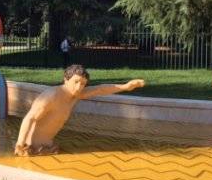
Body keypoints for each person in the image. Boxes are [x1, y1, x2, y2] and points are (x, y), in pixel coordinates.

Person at [14, 64, 145, 156]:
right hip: (30, 148)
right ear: (66, 79)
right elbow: (30, 118)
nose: (79, 87)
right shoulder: (51, 96)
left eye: (82, 83)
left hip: (47, 147)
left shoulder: (75, 95)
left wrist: (125, 87)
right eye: (76, 81)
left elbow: (100, 89)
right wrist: (20, 145)